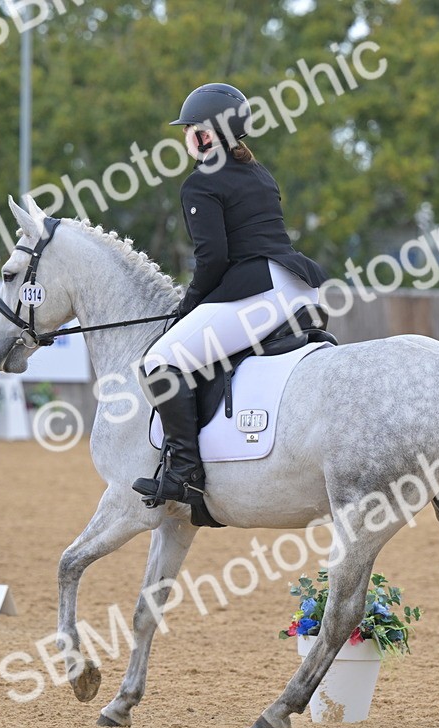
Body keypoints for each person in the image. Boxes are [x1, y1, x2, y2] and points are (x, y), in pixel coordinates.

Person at [132, 82, 329, 509]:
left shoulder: (200, 183)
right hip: (299, 286)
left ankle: (184, 472)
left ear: (205, 135)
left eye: (189, 130)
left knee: (159, 361)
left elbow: (213, 259)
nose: (186, 137)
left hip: (258, 292)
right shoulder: (259, 172)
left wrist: (188, 307)